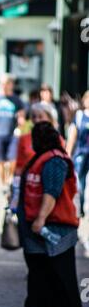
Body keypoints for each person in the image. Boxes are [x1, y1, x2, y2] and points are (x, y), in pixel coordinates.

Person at [14, 122, 83, 307]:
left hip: (56, 226)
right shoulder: (42, 156)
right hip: (37, 224)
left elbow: (51, 192)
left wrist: (41, 218)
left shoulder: (54, 160)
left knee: (62, 270)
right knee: (37, 269)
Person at [66, 90, 89, 218]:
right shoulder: (80, 116)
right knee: (79, 181)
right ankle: (79, 207)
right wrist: (68, 151)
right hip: (81, 153)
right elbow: (73, 135)